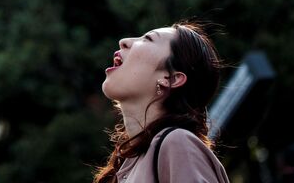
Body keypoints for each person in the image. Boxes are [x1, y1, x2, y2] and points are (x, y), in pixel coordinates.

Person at [93, 22, 230, 183]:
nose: (124, 41)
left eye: (148, 39)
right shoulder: (125, 164)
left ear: (171, 79)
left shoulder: (178, 143)